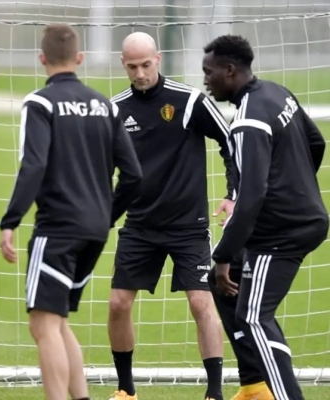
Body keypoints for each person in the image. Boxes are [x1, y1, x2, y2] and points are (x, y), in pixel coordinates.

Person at [0, 23, 143, 400]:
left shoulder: (40, 103)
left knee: (43, 326)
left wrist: (10, 221)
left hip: (58, 229)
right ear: (79, 58)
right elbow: (134, 175)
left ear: (42, 59)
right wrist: (105, 215)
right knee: (58, 322)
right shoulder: (105, 105)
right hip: (94, 230)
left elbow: (34, 165)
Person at [107, 32, 235, 400]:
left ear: (158, 59)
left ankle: (214, 392)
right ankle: (126, 390)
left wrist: (233, 193)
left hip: (188, 226)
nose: (140, 73)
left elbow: (231, 142)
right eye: (133, 66)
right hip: (139, 225)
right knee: (118, 303)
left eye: (146, 65)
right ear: (123, 65)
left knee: (201, 302)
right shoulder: (115, 109)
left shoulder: (189, 100)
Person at [204, 34, 328, 400]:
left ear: (230, 70)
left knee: (254, 317)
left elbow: (252, 197)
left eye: (209, 72)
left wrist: (223, 256)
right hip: (302, 219)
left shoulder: (247, 122)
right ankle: (257, 386)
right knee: (232, 295)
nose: (206, 80)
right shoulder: (277, 92)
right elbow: (316, 142)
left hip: (280, 233)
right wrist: (296, 188)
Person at [207, 249, 274, 400]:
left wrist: (223, 254)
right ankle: (254, 385)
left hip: (273, 242)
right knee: (227, 283)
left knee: (256, 312)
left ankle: (260, 385)